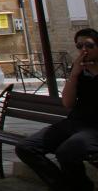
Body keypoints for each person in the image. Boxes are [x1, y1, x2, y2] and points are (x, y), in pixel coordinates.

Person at [16, 27, 98, 190]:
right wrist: (74, 75)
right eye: (79, 46)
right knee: (26, 147)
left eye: (89, 45)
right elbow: (67, 103)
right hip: (74, 123)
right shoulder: (80, 73)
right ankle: (62, 186)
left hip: (95, 128)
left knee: (66, 152)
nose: (83, 50)